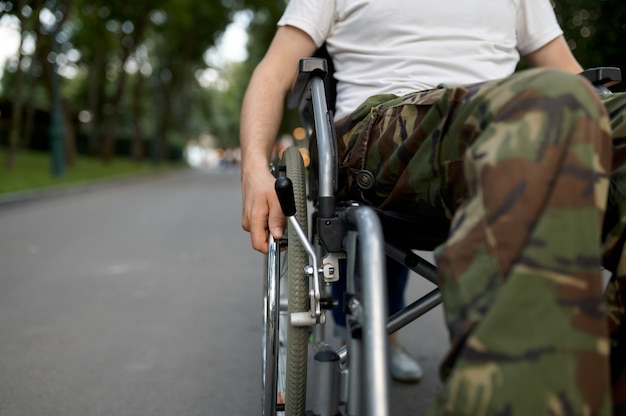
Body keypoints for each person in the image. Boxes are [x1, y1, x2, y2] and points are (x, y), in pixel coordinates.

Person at [239, 0, 626, 414]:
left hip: (524, 121)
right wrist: (254, 168)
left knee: (558, 103)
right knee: (546, 102)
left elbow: (571, 74)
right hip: (384, 129)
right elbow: (274, 71)